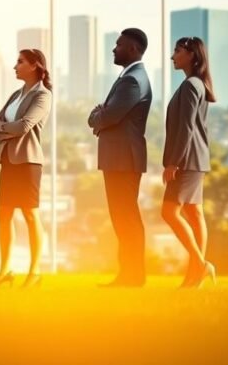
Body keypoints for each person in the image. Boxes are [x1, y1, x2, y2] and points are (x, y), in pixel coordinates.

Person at [88, 28, 153, 288]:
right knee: (122, 217)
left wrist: (96, 116)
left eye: (119, 45)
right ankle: (128, 274)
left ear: (133, 49)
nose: (114, 49)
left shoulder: (132, 81)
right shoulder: (130, 77)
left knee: (126, 217)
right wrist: (101, 115)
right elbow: (107, 115)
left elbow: (108, 116)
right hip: (120, 158)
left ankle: (133, 276)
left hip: (122, 159)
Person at [0, 49, 53, 289]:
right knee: (3, 213)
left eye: (20, 62)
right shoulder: (16, 94)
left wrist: (3, 129)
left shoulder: (43, 95)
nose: (15, 66)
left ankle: (34, 271)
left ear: (34, 66)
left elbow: (24, 126)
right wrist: (7, 128)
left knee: (30, 214)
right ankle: (5, 271)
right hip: (8, 159)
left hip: (27, 162)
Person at [162, 37, 217, 288]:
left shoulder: (190, 85)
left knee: (169, 212)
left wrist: (173, 163)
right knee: (194, 213)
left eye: (177, 51)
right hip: (197, 159)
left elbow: (186, 128)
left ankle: (200, 264)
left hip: (187, 160)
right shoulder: (197, 84)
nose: (172, 56)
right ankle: (194, 276)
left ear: (192, 55)